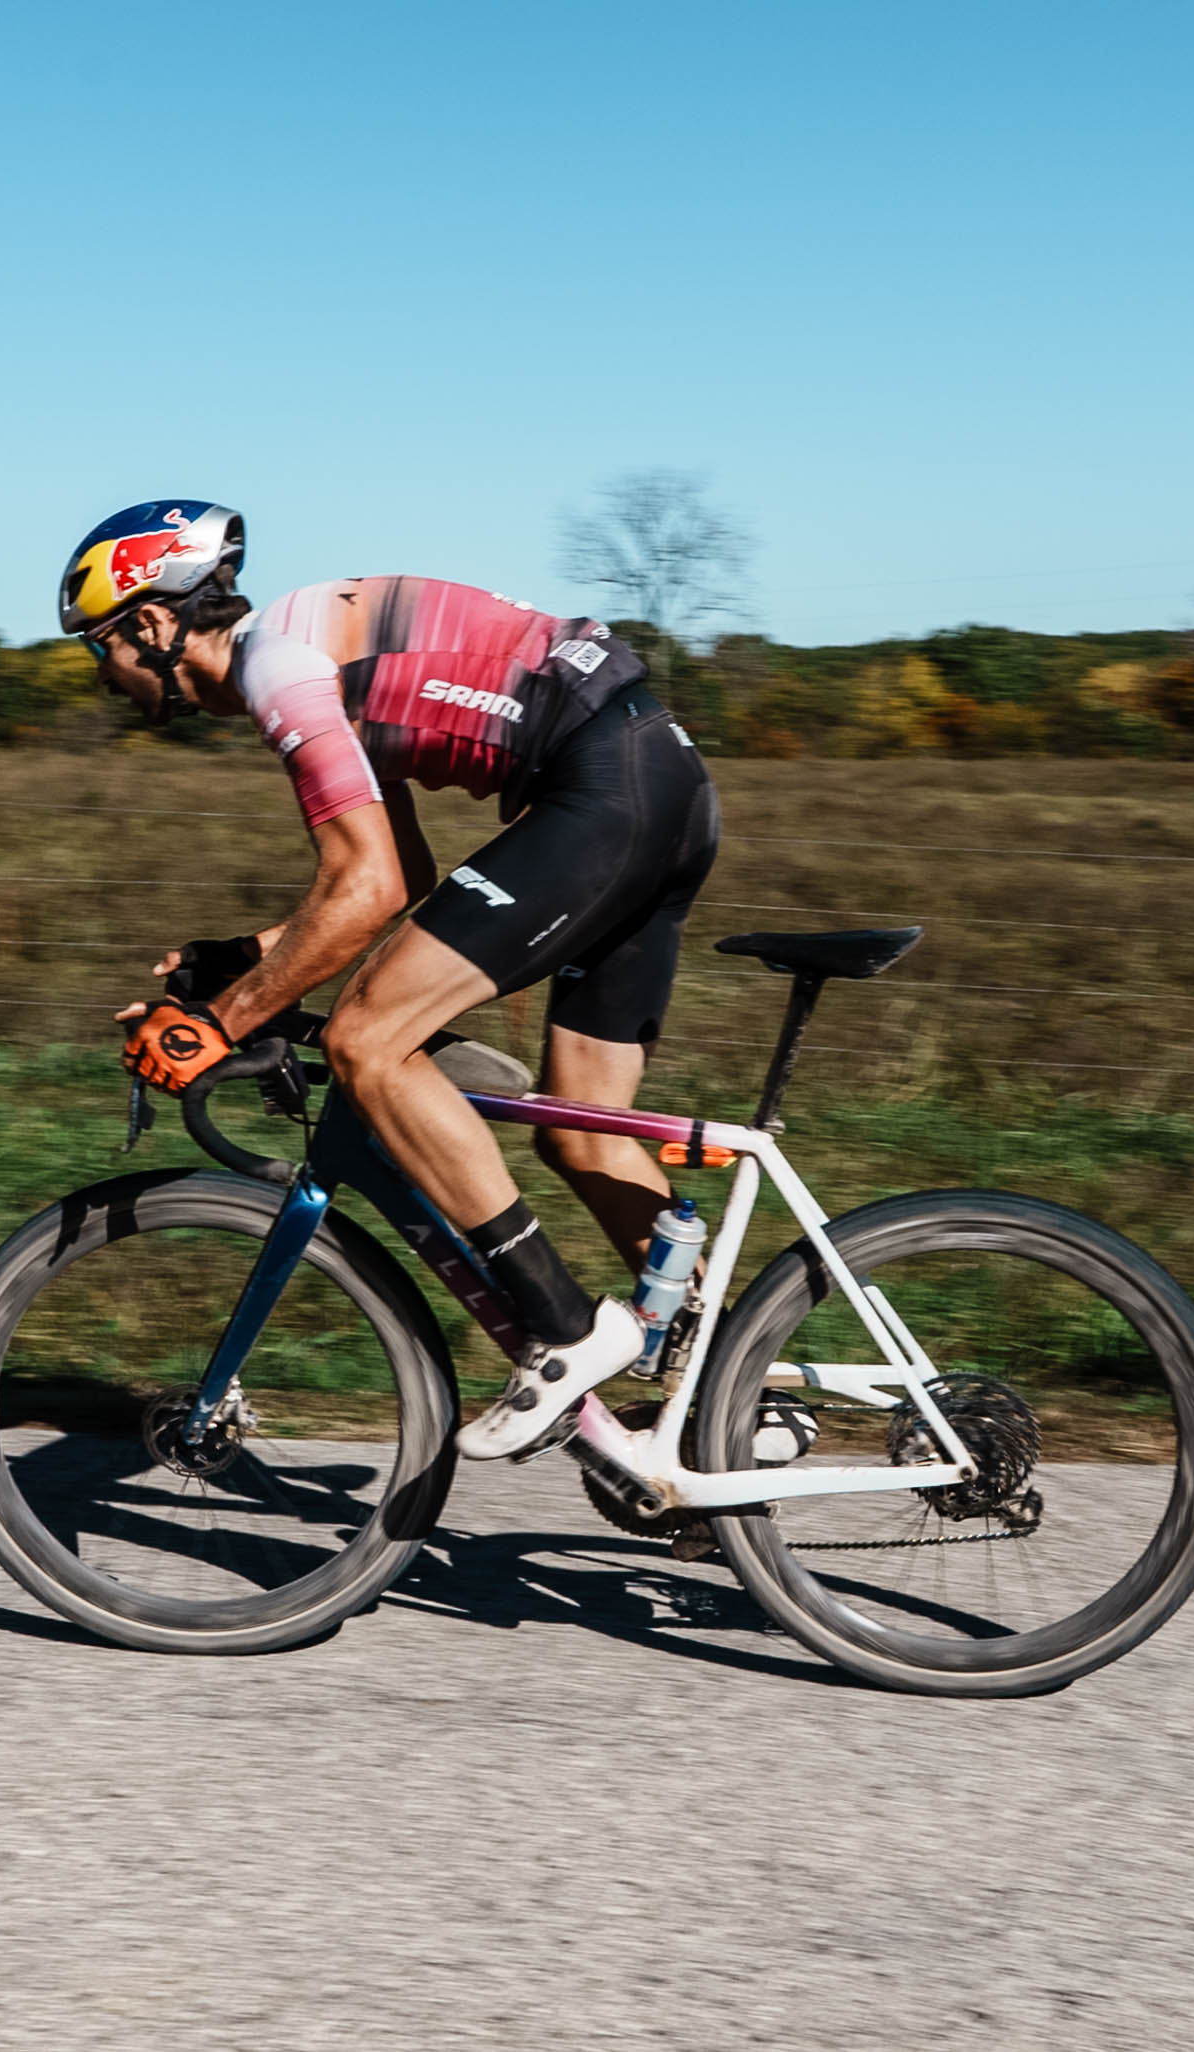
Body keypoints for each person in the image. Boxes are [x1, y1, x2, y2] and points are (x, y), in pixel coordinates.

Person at [60, 499, 722, 1459]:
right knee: (583, 1132)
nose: (103, 675)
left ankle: (564, 1329)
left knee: (368, 1038)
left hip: (602, 790)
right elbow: (399, 873)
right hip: (657, 777)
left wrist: (222, 1024)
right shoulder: (312, 655)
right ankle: (739, 1390)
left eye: (101, 647)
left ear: (155, 624)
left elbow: (366, 889)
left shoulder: (279, 670)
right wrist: (244, 962)